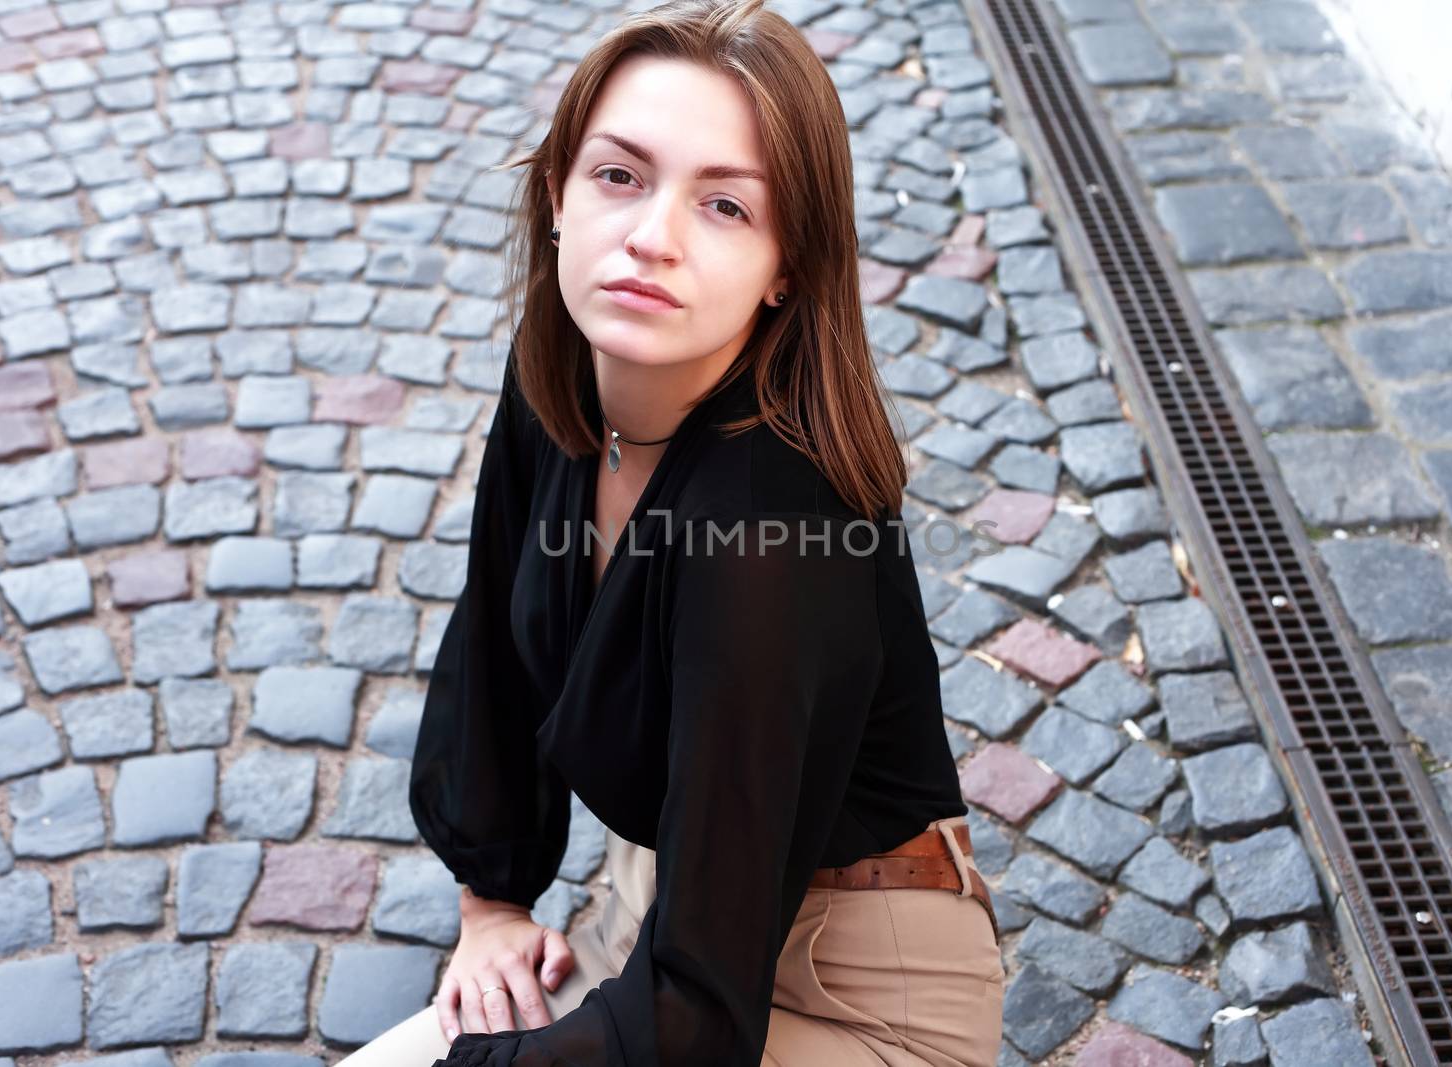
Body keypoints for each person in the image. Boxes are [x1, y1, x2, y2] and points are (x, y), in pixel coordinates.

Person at [338, 1, 1006, 1063]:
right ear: (558, 191)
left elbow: (696, 1019)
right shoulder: (562, 370)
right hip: (666, 907)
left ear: (787, 263)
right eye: (619, 176)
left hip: (855, 991)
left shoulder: (767, 536)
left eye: (726, 206)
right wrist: (493, 902)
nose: (652, 236)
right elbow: (495, 641)